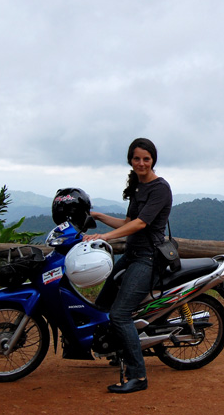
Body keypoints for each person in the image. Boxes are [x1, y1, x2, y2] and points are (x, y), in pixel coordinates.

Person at [84, 138, 172, 394]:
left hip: (148, 258)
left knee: (120, 314)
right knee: (102, 305)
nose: (142, 163)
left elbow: (140, 224)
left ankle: (138, 376)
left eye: (146, 158)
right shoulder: (137, 188)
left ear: (153, 159)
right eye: (137, 159)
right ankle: (117, 348)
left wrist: (105, 237)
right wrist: (99, 217)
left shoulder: (160, 188)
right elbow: (127, 222)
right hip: (132, 254)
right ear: (130, 161)